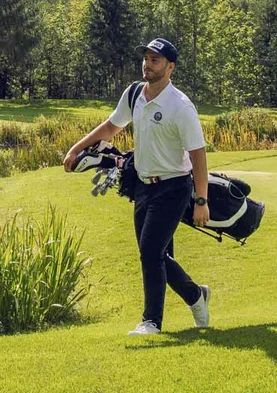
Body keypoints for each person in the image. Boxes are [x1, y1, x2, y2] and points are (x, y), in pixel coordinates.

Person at [63, 36, 212, 335]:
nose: (147, 64)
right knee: (158, 255)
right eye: (146, 58)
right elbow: (111, 127)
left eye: (155, 60)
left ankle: (151, 322)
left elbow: (198, 155)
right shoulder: (134, 94)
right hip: (143, 186)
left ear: (170, 67)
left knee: (150, 252)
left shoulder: (181, 107)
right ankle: (197, 295)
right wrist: (76, 148)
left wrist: (201, 200)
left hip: (174, 187)